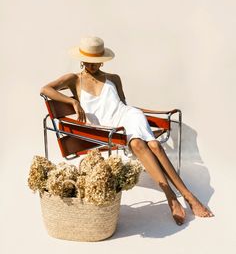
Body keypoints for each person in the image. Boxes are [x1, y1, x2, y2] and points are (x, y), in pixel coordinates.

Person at [40, 36, 214, 225]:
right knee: (139, 144)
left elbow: (123, 106)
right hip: (109, 129)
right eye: (90, 62)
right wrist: (72, 101)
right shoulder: (74, 79)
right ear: (82, 60)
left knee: (154, 145)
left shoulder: (113, 78)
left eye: (98, 62)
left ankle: (188, 195)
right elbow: (45, 89)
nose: (94, 66)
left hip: (128, 116)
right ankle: (171, 196)